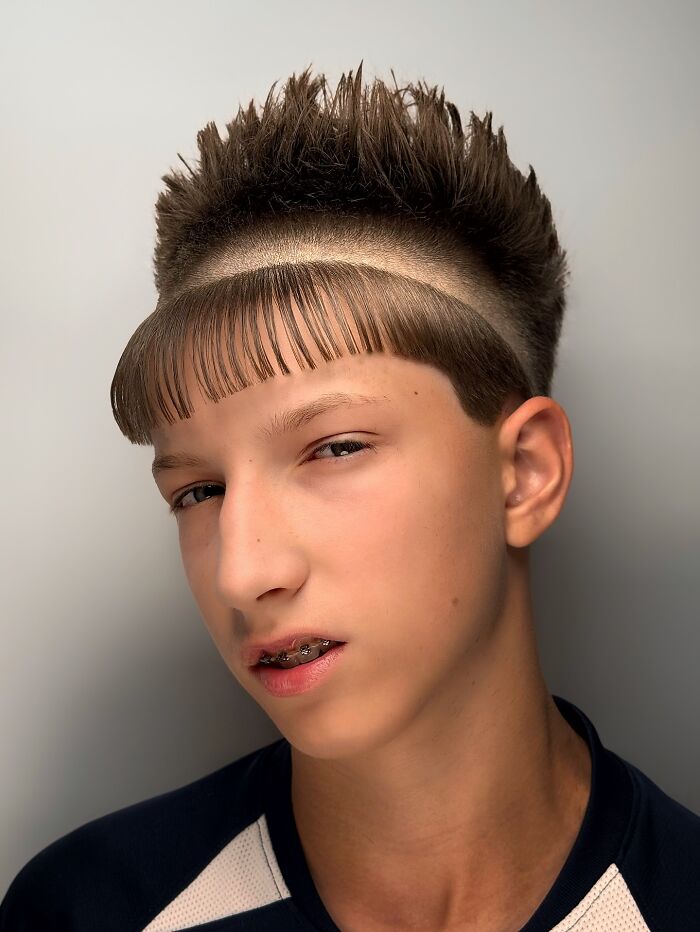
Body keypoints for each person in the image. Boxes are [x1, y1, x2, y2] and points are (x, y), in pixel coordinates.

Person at [1, 63, 698, 932]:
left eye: (335, 448)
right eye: (199, 491)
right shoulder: (84, 911)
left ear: (525, 473)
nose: (242, 572)